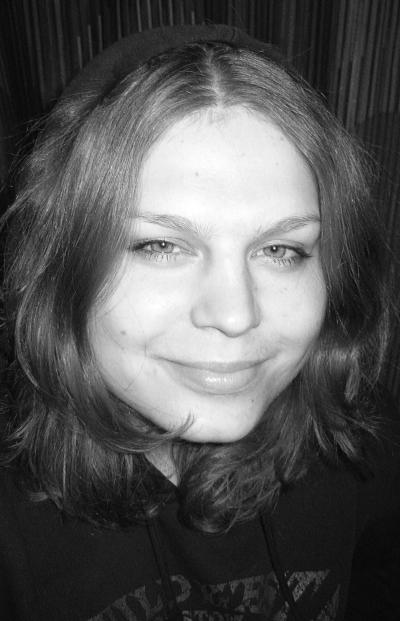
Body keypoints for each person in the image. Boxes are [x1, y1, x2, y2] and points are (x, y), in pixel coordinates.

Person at [0, 23, 399, 621]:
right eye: (160, 246)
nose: (236, 316)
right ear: (59, 266)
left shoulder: (363, 443)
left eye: (281, 250)